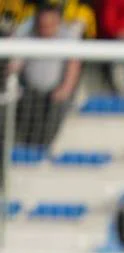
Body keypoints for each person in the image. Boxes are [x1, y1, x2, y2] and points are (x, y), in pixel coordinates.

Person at [6, 2, 80, 150]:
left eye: (49, 25)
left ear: (58, 21)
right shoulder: (27, 33)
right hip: (29, 91)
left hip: (55, 93)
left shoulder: (67, 37)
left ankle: (43, 151)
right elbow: (16, 64)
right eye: (42, 25)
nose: (45, 29)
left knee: (51, 123)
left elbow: (74, 65)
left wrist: (65, 88)